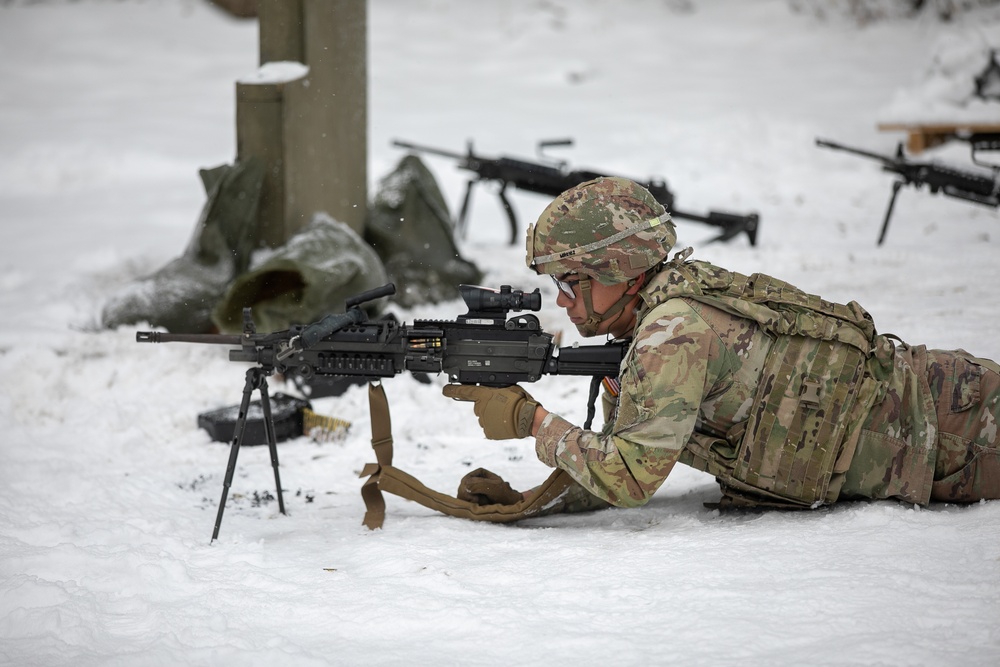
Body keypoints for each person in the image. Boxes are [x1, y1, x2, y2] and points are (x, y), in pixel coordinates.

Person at [443, 176, 1000, 514]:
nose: (562, 301)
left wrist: (534, 423)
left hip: (948, 432)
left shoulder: (671, 334)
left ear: (621, 271)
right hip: (930, 422)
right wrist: (534, 501)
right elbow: (628, 453)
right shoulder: (657, 315)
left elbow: (631, 477)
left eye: (573, 282)